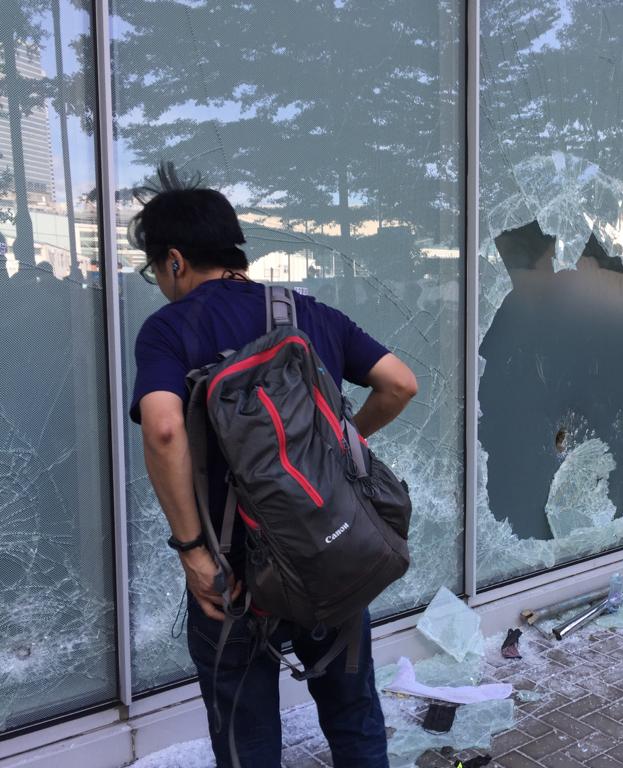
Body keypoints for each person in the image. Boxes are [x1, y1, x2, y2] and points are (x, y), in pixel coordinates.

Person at [128, 164, 416, 768]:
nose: (159, 280)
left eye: (155, 268)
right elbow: (400, 383)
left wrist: (193, 552)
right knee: (354, 718)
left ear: (174, 260)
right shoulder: (310, 314)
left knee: (247, 740)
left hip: (235, 579)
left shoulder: (169, 329)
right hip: (332, 555)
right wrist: (338, 452)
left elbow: (162, 427)